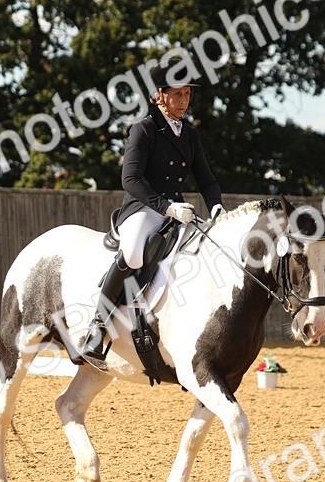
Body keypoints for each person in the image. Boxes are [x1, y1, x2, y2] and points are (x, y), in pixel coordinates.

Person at [80, 64, 225, 360]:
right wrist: (167, 206)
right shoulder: (143, 130)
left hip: (178, 210)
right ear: (158, 96)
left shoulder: (190, 136)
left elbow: (206, 179)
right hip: (144, 208)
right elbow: (130, 180)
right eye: (177, 94)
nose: (183, 100)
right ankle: (98, 325)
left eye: (187, 94)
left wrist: (217, 207)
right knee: (133, 253)